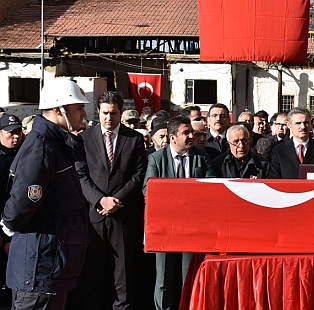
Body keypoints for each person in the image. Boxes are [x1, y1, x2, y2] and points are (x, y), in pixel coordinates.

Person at [1, 79, 89, 310]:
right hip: (40, 265)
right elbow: (22, 202)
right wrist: (10, 224)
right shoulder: (41, 148)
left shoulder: (57, 144)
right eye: (78, 107)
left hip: (51, 263)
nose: (84, 113)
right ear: (59, 110)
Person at [76, 91, 147, 310]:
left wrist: (115, 200)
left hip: (123, 215)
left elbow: (138, 174)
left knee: (122, 276)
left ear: (120, 113)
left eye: (114, 113)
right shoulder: (84, 138)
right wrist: (100, 200)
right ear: (98, 112)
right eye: (105, 113)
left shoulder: (133, 139)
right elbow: (81, 174)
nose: (109, 117)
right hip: (94, 217)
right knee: (93, 275)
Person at [143, 115, 215, 310]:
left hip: (192, 228)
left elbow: (211, 188)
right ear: (172, 137)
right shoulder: (156, 158)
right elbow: (148, 189)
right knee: (164, 280)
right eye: (186, 133)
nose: (191, 136)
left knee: (189, 277)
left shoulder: (201, 156)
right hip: (165, 228)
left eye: (191, 131)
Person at [0, 114, 24, 306]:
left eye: (18, 132)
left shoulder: (25, 156)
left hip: (17, 227)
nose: (15, 137)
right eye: (10, 133)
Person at [269, 107, 314, 179]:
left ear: (311, 124)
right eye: (298, 123)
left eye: (306, 123)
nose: (303, 127)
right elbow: (274, 180)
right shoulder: (279, 151)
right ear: (289, 125)